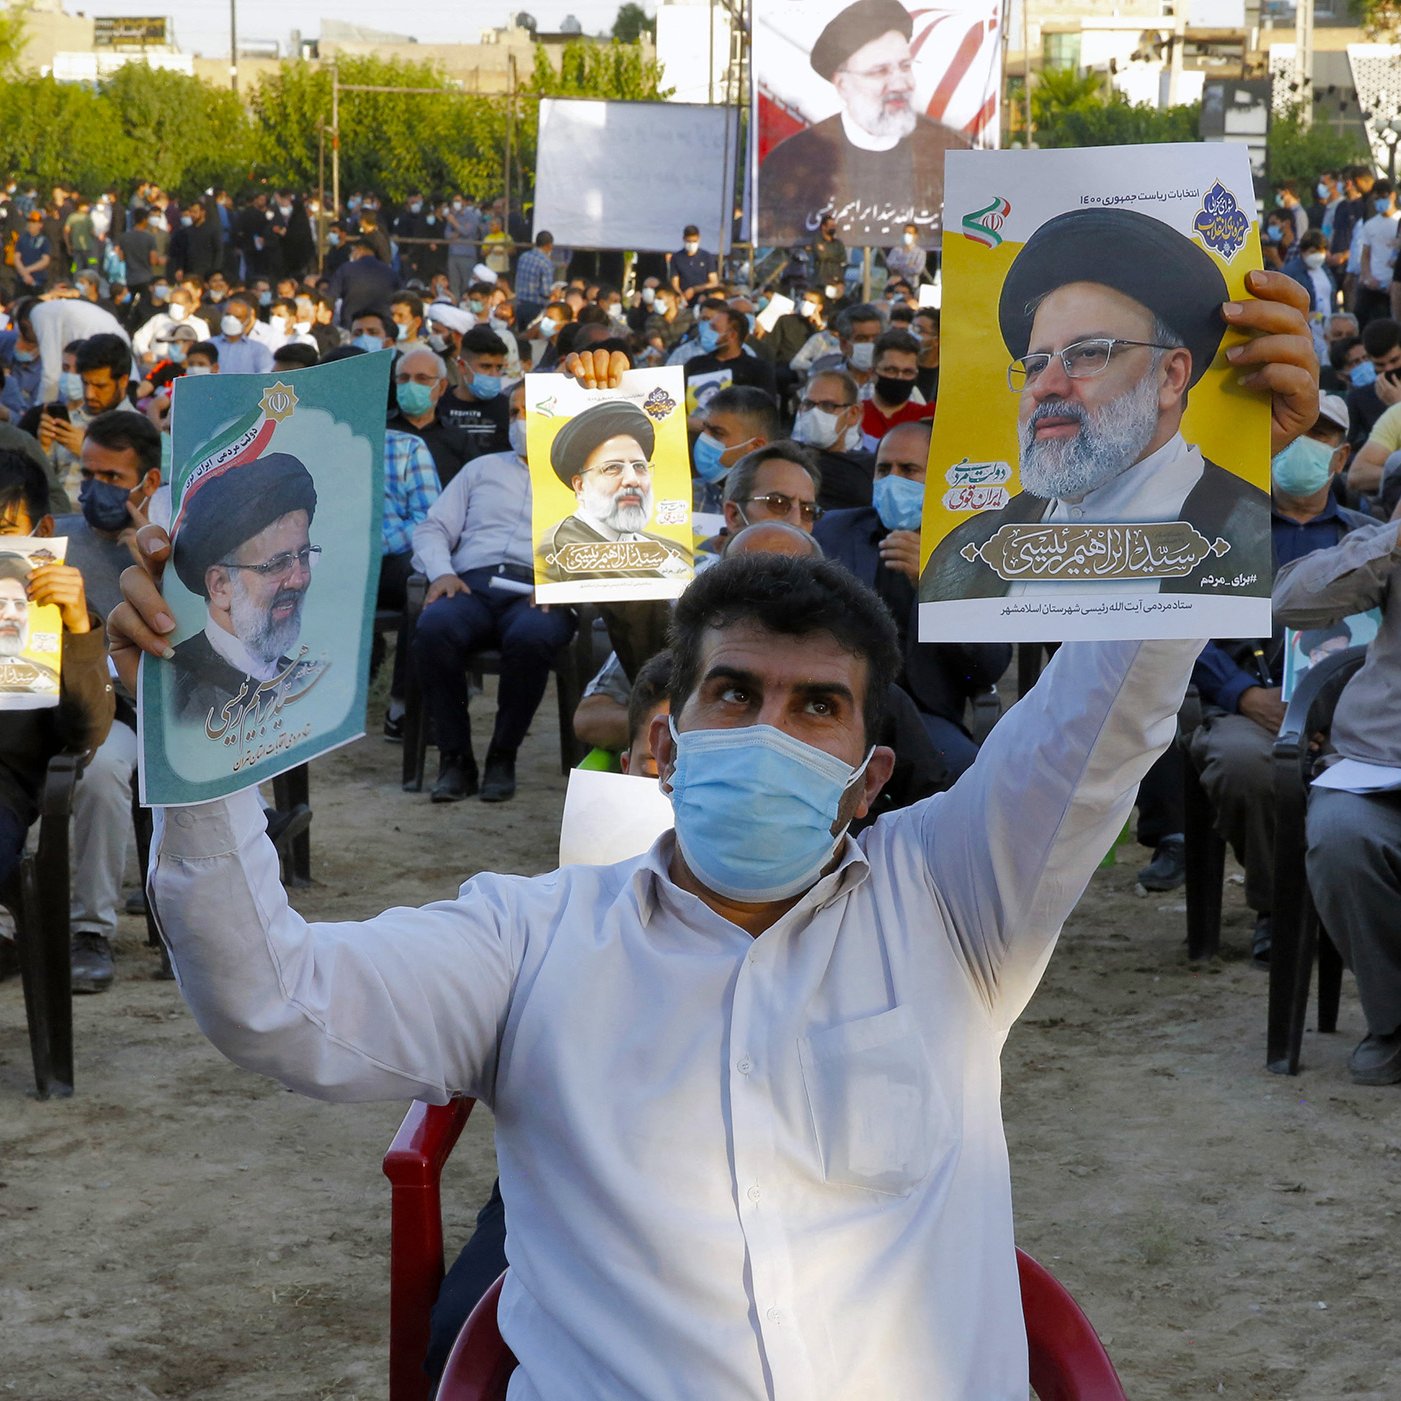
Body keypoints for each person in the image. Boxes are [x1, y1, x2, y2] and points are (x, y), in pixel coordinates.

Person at [106, 266, 1315, 1396]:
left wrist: (1216, 438)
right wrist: (199, 718)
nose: (771, 730)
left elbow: (1108, 714)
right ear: (667, 739)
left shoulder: (955, 903)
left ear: (868, 773)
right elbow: (273, 998)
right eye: (737, 694)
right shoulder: (532, 945)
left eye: (818, 707)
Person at [921, 207, 1270, 603]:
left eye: (1088, 354)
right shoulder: (966, 554)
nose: (1046, 387)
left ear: (1171, 376)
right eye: (1036, 365)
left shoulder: (1252, 538)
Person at [1187, 394, 1373, 965]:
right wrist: (1241, 695)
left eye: (1318, 436)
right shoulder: (1218, 531)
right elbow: (1185, 627)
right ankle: (1281, 909)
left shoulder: (1367, 540)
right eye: (1289, 431)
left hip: (1357, 717)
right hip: (1255, 707)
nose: (1300, 446)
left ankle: (1352, 911)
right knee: (1244, 766)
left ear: (1339, 459)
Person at [1275, 510, 1401, 1083]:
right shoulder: (1391, 545)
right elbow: (1290, 601)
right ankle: (1393, 1021)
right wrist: (1394, 543)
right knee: (1341, 836)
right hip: (1381, 764)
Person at [409, 381, 576, 803]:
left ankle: (503, 755)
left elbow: (602, 546)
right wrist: (442, 573)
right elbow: (433, 528)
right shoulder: (481, 469)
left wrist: (564, 584)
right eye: (515, 411)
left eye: (532, 411)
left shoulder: (584, 479)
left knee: (533, 637)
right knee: (434, 626)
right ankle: (455, 759)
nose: (521, 421)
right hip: (471, 584)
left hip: (538, 591)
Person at [57, 411, 162, 992]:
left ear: (146, 483)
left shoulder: (177, 544)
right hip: (94, 708)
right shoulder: (58, 542)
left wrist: (151, 559)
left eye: (112, 478)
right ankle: (86, 930)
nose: (95, 487)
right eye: (87, 472)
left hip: (164, 711)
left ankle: (104, 929)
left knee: (104, 771)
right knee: (100, 769)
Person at [757, 0, 969, 245]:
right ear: (842, 84)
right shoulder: (790, 160)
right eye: (880, 71)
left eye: (905, 66)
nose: (900, 83)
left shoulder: (952, 151)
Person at [0, 450, 113, 892]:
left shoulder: (67, 615)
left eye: (6, 531)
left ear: (42, 532)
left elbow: (85, 733)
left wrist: (79, 628)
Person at [165, 450, 324, 729]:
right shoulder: (177, 690)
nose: (298, 579)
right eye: (278, 564)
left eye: (304, 555)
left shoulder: (303, 677)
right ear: (220, 586)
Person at [534, 400, 693, 585]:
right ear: (580, 486)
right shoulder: (556, 551)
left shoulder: (674, 549)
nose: (632, 480)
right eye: (612, 468)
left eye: (639, 466)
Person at [792, 368, 876, 511]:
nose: (815, 413)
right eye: (809, 404)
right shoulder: (786, 459)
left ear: (853, 414)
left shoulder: (868, 469)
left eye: (828, 406)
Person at [387, 348, 474, 487]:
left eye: (422, 378)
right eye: (403, 378)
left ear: (442, 387)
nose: (411, 385)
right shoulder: (380, 430)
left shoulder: (459, 440)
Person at [436, 325, 511, 455]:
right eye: (485, 366)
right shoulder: (438, 405)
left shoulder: (508, 408)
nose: (494, 375)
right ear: (462, 367)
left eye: (498, 368)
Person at [857, 328, 934, 450]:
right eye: (891, 370)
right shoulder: (853, 415)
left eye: (908, 372)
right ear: (872, 373)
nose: (899, 377)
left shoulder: (929, 416)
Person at [681, 305, 778, 400]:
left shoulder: (758, 370)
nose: (707, 331)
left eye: (714, 329)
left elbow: (765, 408)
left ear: (732, 335)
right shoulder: (695, 365)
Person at [327, 240, 397, 330]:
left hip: (352, 325)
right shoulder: (390, 272)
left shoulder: (346, 269)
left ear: (360, 250)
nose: (351, 254)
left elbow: (331, 297)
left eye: (353, 250)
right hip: (382, 326)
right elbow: (400, 298)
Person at [211, 297, 274, 375]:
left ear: (247, 320)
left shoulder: (259, 350)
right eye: (228, 315)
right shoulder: (209, 345)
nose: (231, 319)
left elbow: (266, 377)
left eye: (238, 317)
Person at [670, 225, 719, 308]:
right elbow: (674, 282)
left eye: (694, 241)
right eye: (689, 241)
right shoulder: (676, 257)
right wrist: (681, 295)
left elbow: (714, 282)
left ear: (699, 239)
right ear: (684, 239)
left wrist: (695, 289)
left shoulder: (707, 256)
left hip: (702, 297)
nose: (691, 244)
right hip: (683, 298)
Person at [514, 231, 555, 329]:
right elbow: (545, 292)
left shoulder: (524, 257)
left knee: (520, 336)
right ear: (549, 245)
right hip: (535, 307)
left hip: (519, 304)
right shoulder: (546, 263)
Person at [886, 222, 928, 286]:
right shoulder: (896, 250)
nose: (906, 235)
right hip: (894, 284)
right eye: (905, 233)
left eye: (910, 233)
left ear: (915, 236)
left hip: (911, 285)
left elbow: (917, 270)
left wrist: (898, 265)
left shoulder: (920, 252)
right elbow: (890, 264)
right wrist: (908, 265)